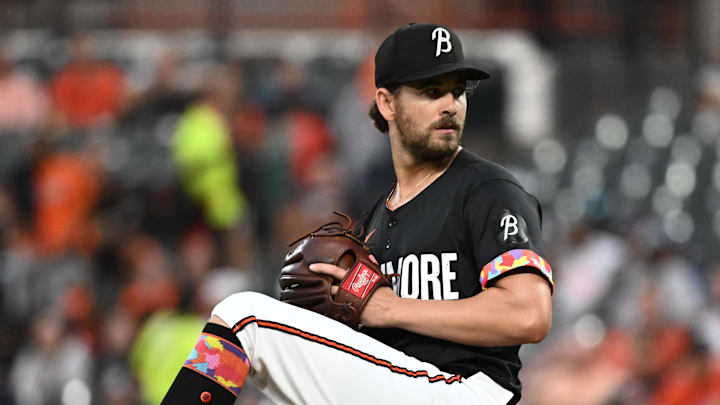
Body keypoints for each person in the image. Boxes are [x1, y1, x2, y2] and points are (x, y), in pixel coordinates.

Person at [161, 23, 554, 405]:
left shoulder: (489, 191)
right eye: (431, 91)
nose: (450, 104)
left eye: (457, 91)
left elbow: (529, 314)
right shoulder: (374, 220)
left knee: (242, 318)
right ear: (386, 103)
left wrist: (387, 308)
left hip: (464, 389)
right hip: (400, 380)